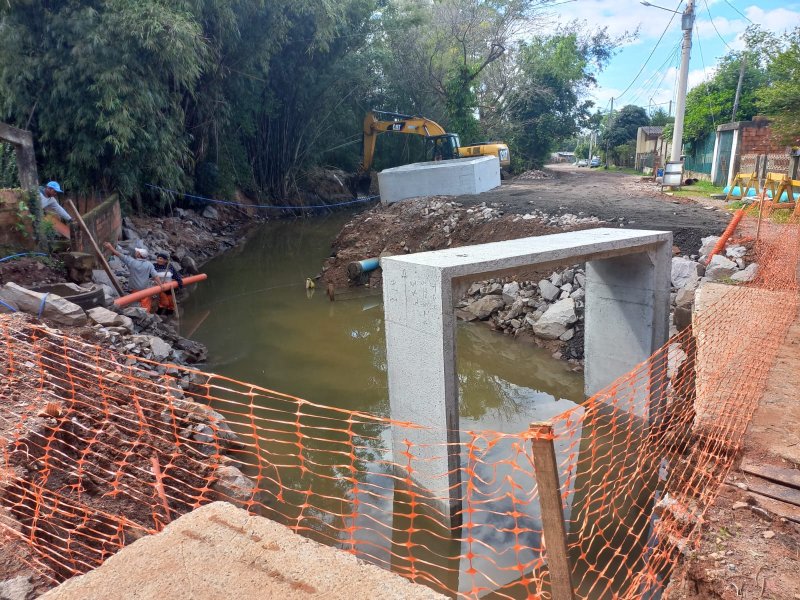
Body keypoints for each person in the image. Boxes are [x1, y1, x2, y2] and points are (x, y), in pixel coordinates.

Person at [103, 242, 162, 312]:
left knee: (134, 303)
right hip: (144, 289)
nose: (135, 252)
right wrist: (160, 285)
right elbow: (155, 275)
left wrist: (110, 247)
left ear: (139, 255)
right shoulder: (149, 264)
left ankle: (136, 313)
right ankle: (146, 316)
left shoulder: (132, 262)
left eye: (137, 252)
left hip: (134, 288)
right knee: (145, 303)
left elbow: (119, 255)